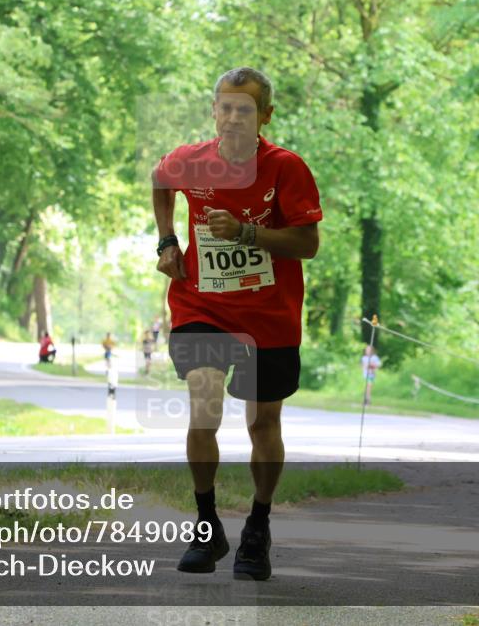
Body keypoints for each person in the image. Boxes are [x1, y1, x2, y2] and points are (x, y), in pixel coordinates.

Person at [153, 67, 321, 580]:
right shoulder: (191, 160)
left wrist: (250, 232)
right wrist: (167, 241)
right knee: (203, 406)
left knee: (261, 423)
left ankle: (257, 526)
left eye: (244, 109)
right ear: (214, 111)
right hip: (201, 305)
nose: (232, 117)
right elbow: (161, 180)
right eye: (224, 107)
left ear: (264, 116)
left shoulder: (286, 168)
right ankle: (206, 527)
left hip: (269, 315)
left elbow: (307, 245)